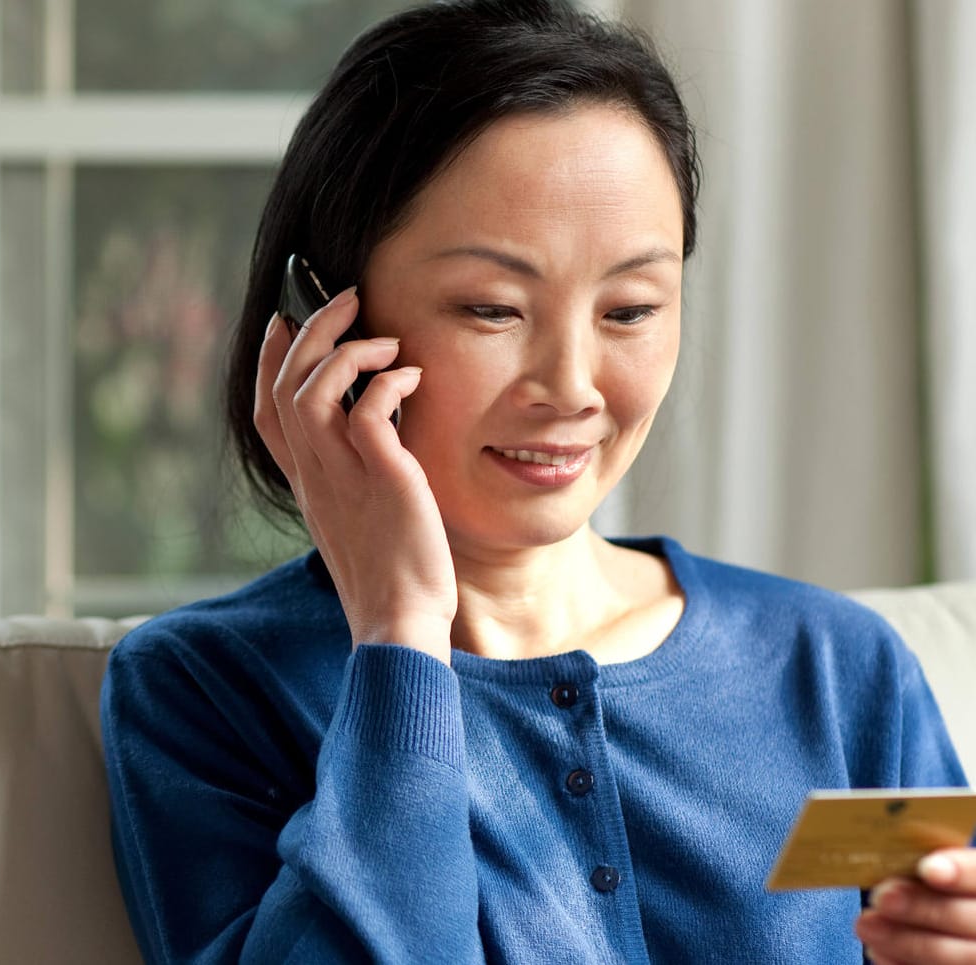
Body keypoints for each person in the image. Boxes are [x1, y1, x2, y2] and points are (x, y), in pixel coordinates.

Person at [99, 1, 974, 961]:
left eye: (632, 309)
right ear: (327, 325)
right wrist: (398, 635)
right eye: (491, 307)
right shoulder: (203, 689)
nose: (570, 386)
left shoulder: (835, 667)